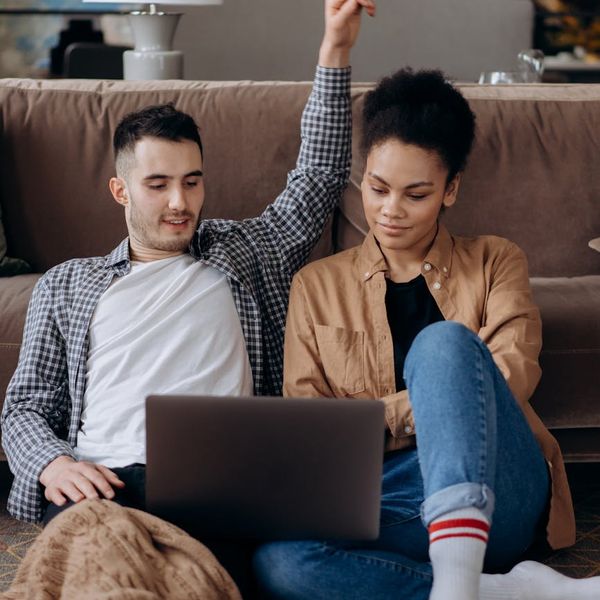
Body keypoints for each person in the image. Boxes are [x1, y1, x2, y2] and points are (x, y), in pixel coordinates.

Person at [1, 0, 376, 526]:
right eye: (157, 185)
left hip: (220, 480)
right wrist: (53, 463)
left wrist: (335, 48)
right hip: (102, 482)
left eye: (192, 181)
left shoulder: (247, 250)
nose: (180, 202)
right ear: (120, 191)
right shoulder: (66, 284)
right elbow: (24, 408)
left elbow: (318, 175)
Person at [253, 61, 600, 600]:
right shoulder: (315, 286)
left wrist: (388, 411)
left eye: (415, 194)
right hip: (391, 493)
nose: (389, 212)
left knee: (443, 345)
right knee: (283, 562)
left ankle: (461, 580)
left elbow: (509, 379)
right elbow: (316, 431)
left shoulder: (496, 261)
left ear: (450, 189)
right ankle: (511, 591)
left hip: (498, 488)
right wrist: (443, 401)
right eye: (377, 188)